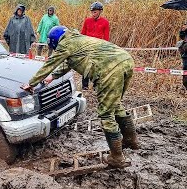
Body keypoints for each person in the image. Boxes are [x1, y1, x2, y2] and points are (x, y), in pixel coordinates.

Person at [20, 25, 139, 169]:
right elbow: (69, 63)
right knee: (116, 104)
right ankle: (130, 140)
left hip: (110, 69)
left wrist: (31, 83)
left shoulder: (65, 44)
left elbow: (49, 64)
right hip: (125, 60)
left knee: (106, 113)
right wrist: (53, 77)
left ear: (54, 42)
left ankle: (117, 157)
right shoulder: (76, 39)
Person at [80, 1, 110, 90]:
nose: (93, 14)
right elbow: (82, 34)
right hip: (87, 47)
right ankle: (84, 86)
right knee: (85, 67)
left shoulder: (105, 22)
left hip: (98, 48)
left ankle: (95, 86)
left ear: (100, 11)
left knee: (96, 68)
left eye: (95, 12)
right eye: (92, 12)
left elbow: (106, 37)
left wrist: (104, 49)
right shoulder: (87, 21)